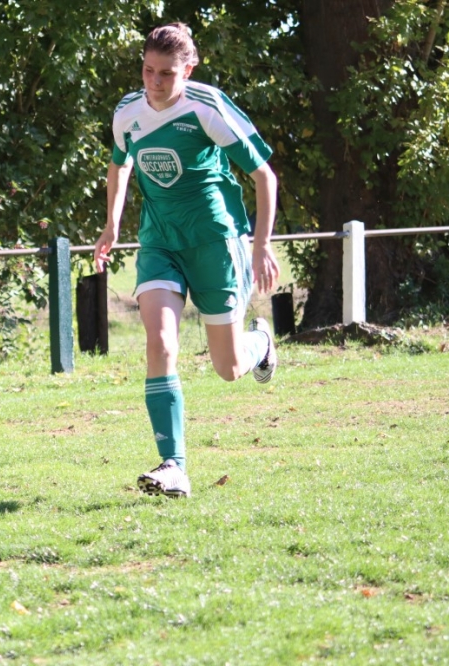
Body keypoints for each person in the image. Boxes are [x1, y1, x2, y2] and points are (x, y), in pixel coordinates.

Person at [92, 23, 279, 498]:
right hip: (160, 242)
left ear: (189, 69)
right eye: (147, 70)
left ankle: (260, 342)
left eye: (167, 74)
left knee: (228, 367)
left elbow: (264, 175)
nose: (154, 82)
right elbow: (119, 163)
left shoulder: (206, 107)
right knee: (159, 343)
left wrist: (260, 244)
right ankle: (173, 466)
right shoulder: (127, 112)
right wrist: (112, 224)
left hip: (216, 241)